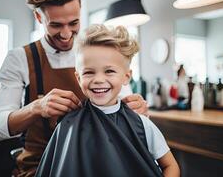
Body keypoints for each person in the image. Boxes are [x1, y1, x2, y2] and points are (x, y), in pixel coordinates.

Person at [0, 0, 147, 176]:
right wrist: (36, 108)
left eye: (74, 23)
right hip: (41, 166)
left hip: (101, 162)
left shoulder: (96, 50)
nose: (66, 34)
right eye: (56, 25)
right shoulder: (19, 58)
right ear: (39, 18)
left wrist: (136, 109)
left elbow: (122, 99)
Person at [35, 24, 180, 177]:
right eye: (89, 72)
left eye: (109, 71)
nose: (98, 80)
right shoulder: (68, 125)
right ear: (78, 78)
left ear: (126, 77)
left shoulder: (142, 124)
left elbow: (170, 165)